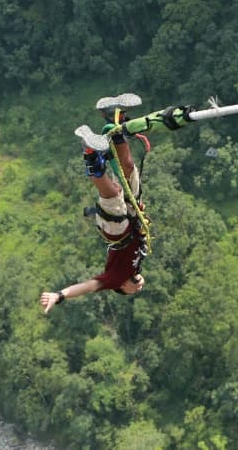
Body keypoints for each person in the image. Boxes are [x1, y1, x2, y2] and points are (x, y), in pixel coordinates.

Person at [40, 93, 150, 313]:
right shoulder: (137, 265)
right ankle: (114, 121)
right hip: (133, 219)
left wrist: (60, 295)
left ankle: (91, 155)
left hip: (116, 233)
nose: (137, 289)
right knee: (129, 170)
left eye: (132, 292)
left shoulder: (114, 279)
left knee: (114, 193)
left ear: (121, 287)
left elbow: (89, 286)